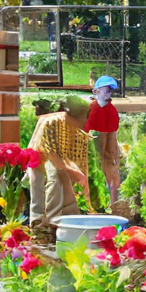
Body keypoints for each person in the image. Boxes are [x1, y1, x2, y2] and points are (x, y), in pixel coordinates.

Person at [28, 96, 91, 225]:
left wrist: (79, 175)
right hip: (39, 157)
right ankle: (44, 223)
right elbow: (52, 156)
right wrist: (73, 172)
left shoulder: (80, 130)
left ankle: (63, 219)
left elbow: (76, 157)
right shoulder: (51, 123)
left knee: (65, 180)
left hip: (59, 159)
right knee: (53, 178)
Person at [84, 75, 121, 204]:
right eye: (107, 89)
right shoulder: (90, 109)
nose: (109, 92)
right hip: (92, 147)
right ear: (96, 91)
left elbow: (113, 135)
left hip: (109, 148)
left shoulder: (112, 111)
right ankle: (92, 204)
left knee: (112, 173)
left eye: (111, 90)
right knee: (93, 173)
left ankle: (114, 204)